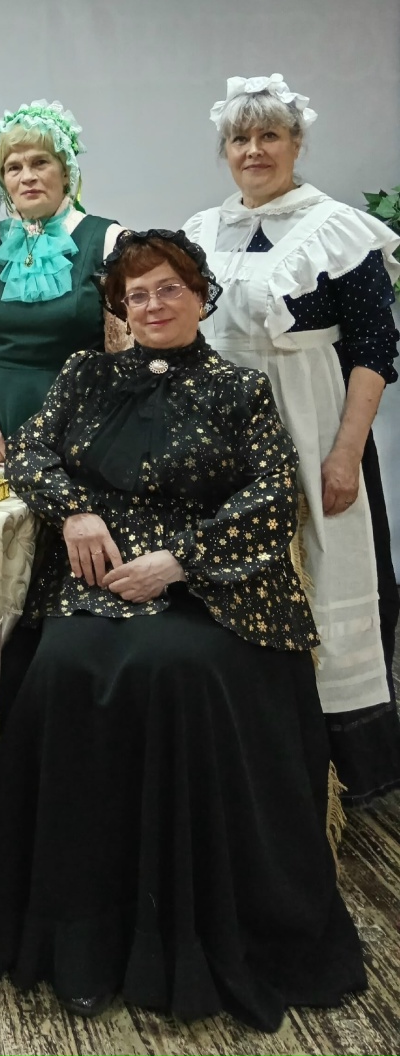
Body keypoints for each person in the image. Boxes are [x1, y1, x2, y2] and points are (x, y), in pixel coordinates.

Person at [0, 230, 366, 1032]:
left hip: (214, 592)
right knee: (64, 669)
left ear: (201, 296)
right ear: (120, 309)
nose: (153, 305)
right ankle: (77, 938)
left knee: (171, 671)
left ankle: (181, 936)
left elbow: (273, 495)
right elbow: (31, 455)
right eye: (136, 295)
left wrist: (181, 562)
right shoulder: (86, 374)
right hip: (98, 585)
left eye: (169, 288)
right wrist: (74, 512)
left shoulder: (240, 389)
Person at [184, 74, 400, 804]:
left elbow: (374, 348)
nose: (254, 150)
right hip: (223, 440)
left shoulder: (338, 229)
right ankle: (244, 756)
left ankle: (334, 769)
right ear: (226, 150)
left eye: (269, 135)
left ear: (297, 143)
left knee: (325, 575)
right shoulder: (198, 233)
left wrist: (345, 454)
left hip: (315, 430)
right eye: (240, 138)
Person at [0, 100, 125, 461]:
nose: (27, 176)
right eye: (14, 167)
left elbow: (125, 354)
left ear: (66, 171)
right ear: (3, 181)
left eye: (40, 162)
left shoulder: (108, 241)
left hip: (84, 436)